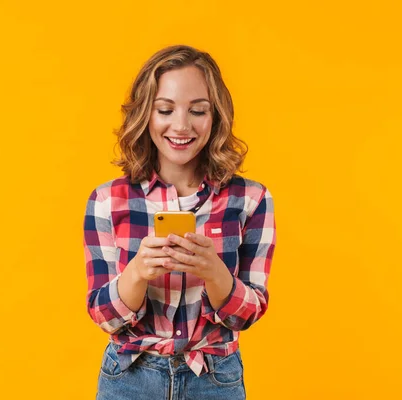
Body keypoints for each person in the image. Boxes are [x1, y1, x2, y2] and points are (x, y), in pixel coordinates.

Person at [83, 44, 277, 400]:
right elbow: (105, 317)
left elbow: (247, 315)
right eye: (165, 109)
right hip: (129, 377)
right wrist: (138, 272)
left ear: (216, 116)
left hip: (215, 378)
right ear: (146, 115)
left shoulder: (250, 199)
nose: (181, 125)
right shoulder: (108, 201)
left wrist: (215, 272)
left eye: (198, 110)